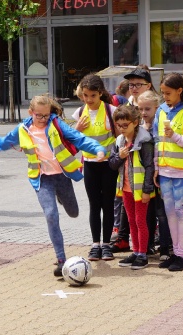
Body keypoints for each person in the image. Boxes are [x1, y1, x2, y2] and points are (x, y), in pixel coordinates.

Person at [0, 94, 105, 276]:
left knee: (74, 212)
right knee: (51, 215)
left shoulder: (56, 124)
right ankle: (61, 260)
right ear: (31, 112)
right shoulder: (23, 129)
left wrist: (98, 149)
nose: (43, 119)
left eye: (46, 115)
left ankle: (61, 197)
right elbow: (7, 142)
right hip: (42, 179)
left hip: (62, 176)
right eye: (39, 115)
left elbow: (78, 138)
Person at [111, 66, 159, 253]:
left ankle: (146, 249)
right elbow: (114, 160)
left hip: (149, 177)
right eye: (131, 85)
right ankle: (132, 245)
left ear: (148, 85)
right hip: (127, 182)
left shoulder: (156, 108)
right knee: (131, 217)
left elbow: (148, 162)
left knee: (146, 216)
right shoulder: (128, 106)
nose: (134, 88)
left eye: (138, 84)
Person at [73, 74, 117, 261]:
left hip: (108, 165)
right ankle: (95, 244)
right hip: (90, 164)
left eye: (93, 95)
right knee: (94, 205)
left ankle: (106, 244)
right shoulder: (79, 112)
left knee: (108, 204)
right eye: (85, 95)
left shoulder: (111, 111)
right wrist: (77, 130)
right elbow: (72, 140)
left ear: (100, 93)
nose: (89, 99)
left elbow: (120, 135)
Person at [108, 105, 155, 269]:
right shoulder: (119, 141)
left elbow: (149, 166)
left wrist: (147, 190)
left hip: (140, 189)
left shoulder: (144, 141)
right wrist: (119, 157)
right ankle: (136, 251)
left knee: (140, 221)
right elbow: (112, 164)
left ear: (135, 122)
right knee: (131, 221)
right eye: (118, 125)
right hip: (126, 188)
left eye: (125, 125)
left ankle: (143, 254)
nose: (121, 129)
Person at [154, 73, 183, 272]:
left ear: (179, 91)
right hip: (165, 171)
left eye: (168, 93)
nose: (165, 97)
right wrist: (156, 167)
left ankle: (182, 255)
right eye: (163, 93)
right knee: (170, 213)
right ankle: (176, 253)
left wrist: (175, 136)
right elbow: (157, 141)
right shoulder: (160, 111)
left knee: (181, 212)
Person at [138, 90, 172, 261]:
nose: (143, 113)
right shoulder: (139, 128)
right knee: (148, 213)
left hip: (160, 175)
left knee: (162, 212)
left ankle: (165, 247)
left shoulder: (160, 126)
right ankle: (148, 244)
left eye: (147, 109)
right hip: (144, 178)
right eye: (140, 109)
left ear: (156, 108)